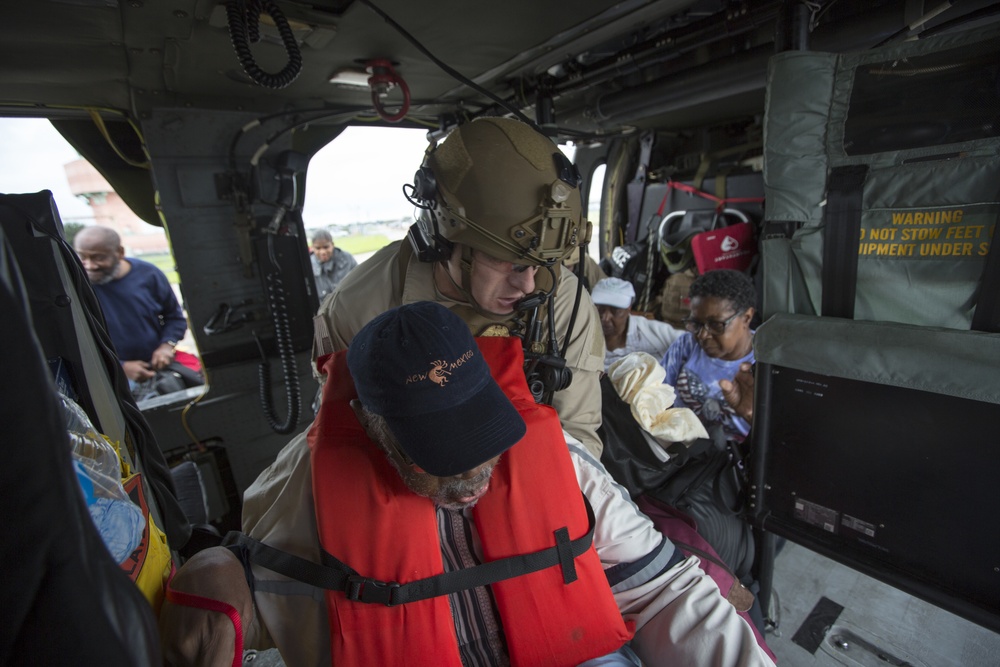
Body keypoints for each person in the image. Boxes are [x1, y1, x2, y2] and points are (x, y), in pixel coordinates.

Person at [160, 302, 775, 667]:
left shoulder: (556, 458)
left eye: (484, 445)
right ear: (374, 427)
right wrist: (211, 570)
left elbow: (667, 593)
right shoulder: (308, 485)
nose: (470, 483)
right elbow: (251, 583)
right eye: (440, 459)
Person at [312, 116, 607, 457]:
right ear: (442, 239)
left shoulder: (565, 302)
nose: (528, 285)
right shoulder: (357, 310)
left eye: (543, 263)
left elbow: (578, 437)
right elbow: (344, 436)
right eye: (508, 261)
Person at [73, 225, 202, 395]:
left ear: (119, 253)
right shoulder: (75, 286)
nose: (90, 266)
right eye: (82, 257)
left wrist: (166, 346)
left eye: (99, 258)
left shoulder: (149, 275)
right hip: (108, 375)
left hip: (157, 366)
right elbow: (76, 341)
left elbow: (174, 318)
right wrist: (120, 367)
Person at [660, 269, 756, 442]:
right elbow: (657, 397)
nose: (703, 335)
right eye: (696, 324)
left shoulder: (765, 362)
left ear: (747, 317)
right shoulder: (686, 346)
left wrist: (750, 415)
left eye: (716, 325)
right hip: (682, 450)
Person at [591, 277, 683, 372]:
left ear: (629, 309)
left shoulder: (652, 332)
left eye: (616, 311)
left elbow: (690, 345)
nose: (606, 318)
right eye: (600, 309)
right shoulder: (585, 334)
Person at [310, 228, 357, 299]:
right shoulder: (309, 265)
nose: (323, 252)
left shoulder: (346, 259)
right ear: (313, 247)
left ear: (332, 245)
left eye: (326, 247)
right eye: (318, 248)